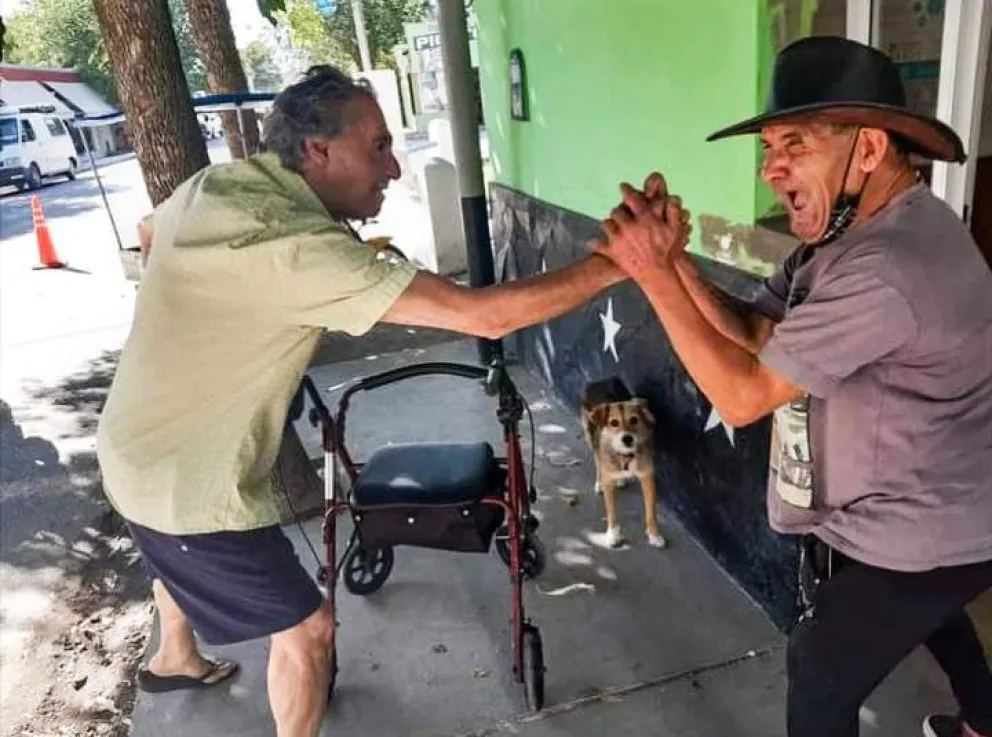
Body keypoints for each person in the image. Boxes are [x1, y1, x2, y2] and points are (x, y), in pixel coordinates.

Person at [94, 64, 654, 737]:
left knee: (176, 559)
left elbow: (150, 233)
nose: (393, 167)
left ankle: (175, 653)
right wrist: (627, 259)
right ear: (317, 151)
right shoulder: (302, 253)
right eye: (379, 147)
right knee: (308, 627)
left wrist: (213, 326)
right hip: (180, 487)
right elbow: (486, 317)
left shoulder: (224, 183)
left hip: (130, 443)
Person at [594, 37, 992, 737]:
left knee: (819, 669)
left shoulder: (889, 267)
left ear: (868, 150)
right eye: (770, 145)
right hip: (924, 509)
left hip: (931, 521)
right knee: (935, 612)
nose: (770, 167)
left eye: (794, 144)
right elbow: (758, 327)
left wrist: (651, 273)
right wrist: (677, 261)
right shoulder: (847, 240)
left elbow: (744, 395)